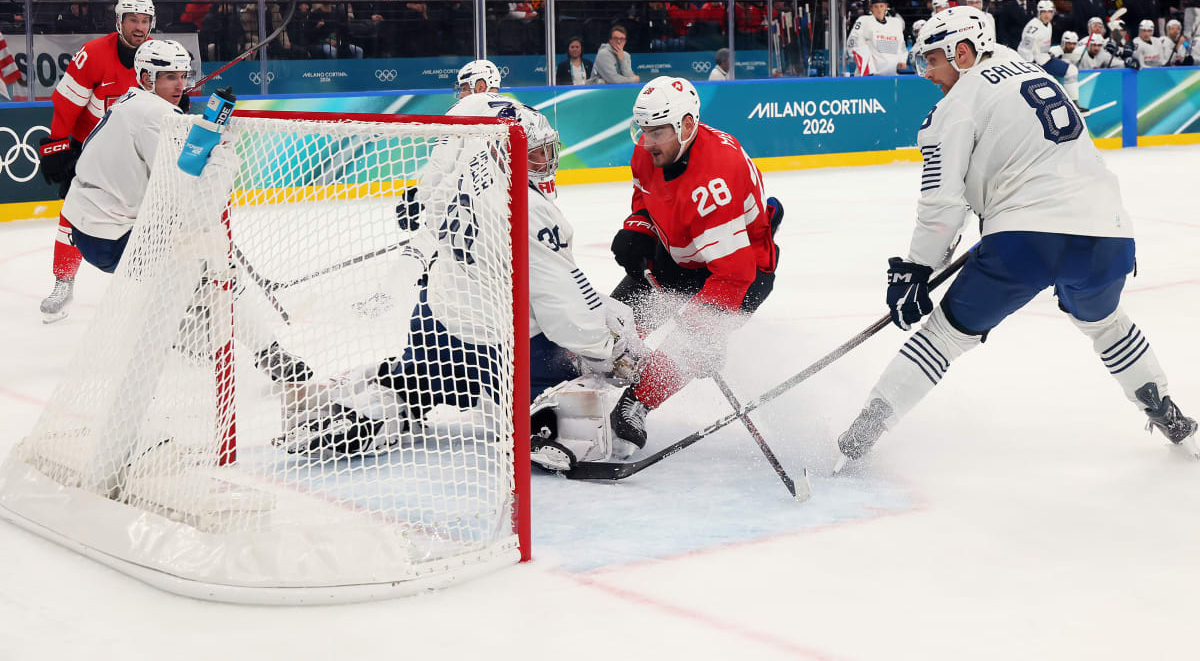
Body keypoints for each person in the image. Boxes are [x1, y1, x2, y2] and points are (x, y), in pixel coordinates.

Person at [834, 6, 1198, 468]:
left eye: (932, 60)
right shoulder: (1027, 68)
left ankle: (862, 433)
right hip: (1108, 234)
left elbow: (942, 203)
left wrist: (916, 269)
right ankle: (1164, 409)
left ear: (963, 53)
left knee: (943, 337)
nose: (926, 72)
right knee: (1108, 325)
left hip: (1025, 240)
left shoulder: (954, 108)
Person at [278, 73, 640, 468]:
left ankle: (384, 398)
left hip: (435, 325)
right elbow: (565, 308)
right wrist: (609, 351)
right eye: (536, 154)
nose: (545, 162)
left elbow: (436, 198)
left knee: (419, 376)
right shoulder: (532, 212)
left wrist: (418, 208)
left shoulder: (474, 156)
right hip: (502, 348)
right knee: (582, 366)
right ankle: (539, 421)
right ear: (512, 154)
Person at [606, 76, 782, 455]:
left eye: (657, 132)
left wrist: (703, 333)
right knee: (611, 331)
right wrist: (638, 229)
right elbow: (645, 198)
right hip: (681, 252)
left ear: (687, 126)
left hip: (742, 269)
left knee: (689, 344)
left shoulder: (714, 179)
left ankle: (638, 402)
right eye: (643, 130)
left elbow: (733, 275)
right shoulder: (649, 151)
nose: (647, 142)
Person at [37, 0, 156, 324]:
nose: (139, 27)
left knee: (152, 219)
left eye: (144, 21)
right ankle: (63, 283)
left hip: (135, 154)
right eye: (132, 20)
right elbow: (66, 107)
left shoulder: (156, 55)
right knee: (73, 213)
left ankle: (155, 291)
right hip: (90, 150)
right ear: (119, 21)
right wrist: (58, 147)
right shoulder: (92, 55)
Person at [59, 39, 190, 274]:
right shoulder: (159, 113)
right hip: (113, 239)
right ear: (147, 79)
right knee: (202, 242)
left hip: (83, 227)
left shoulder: (129, 97)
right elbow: (179, 179)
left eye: (183, 76)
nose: (180, 86)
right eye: (171, 77)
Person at [1018, 0, 1080, 107]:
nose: (1047, 15)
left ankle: (1074, 104)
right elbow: (1024, 51)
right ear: (1039, 12)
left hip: (1044, 60)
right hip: (1033, 65)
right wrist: (1033, 66)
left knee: (1072, 70)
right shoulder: (1032, 28)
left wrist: (1050, 54)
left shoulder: (1048, 24)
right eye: (1044, 12)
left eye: (1050, 12)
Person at [847, 0, 907, 75]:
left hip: (891, 75)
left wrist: (902, 60)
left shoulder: (896, 23)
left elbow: (901, 45)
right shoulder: (864, 21)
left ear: (886, 6)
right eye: (876, 6)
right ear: (871, 8)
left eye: (881, 6)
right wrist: (866, 65)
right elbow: (853, 41)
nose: (879, 9)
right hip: (869, 75)